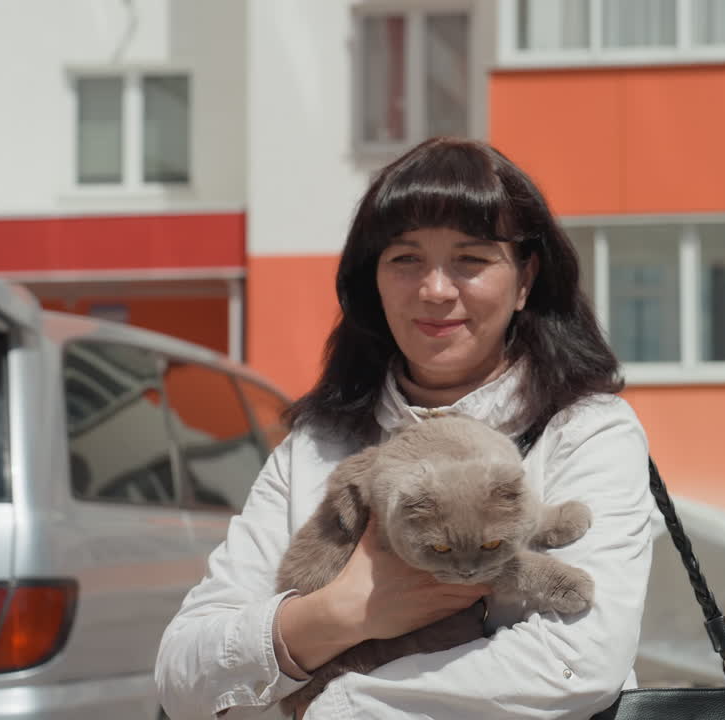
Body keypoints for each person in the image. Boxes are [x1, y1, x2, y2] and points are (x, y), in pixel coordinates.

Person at [154, 138, 654, 719]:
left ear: (524, 280)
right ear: (374, 280)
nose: (435, 290)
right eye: (405, 259)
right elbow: (182, 671)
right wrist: (342, 612)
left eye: (471, 259)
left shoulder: (583, 431)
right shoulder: (319, 446)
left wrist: (338, 708)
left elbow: (580, 658)